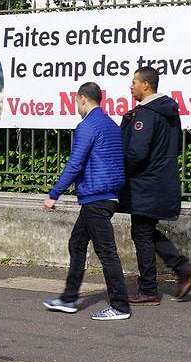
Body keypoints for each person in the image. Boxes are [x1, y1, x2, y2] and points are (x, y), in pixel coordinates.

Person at [42, 82, 131, 321]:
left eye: (76, 102)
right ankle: (69, 298)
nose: (76, 107)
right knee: (77, 243)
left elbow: (75, 164)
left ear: (82, 99)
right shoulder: (111, 125)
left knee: (106, 252)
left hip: (96, 197)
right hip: (107, 195)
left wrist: (54, 193)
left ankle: (120, 306)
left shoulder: (87, 126)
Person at [119, 67, 191, 306]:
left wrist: (121, 172)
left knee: (142, 233)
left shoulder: (146, 114)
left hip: (146, 184)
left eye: (134, 82)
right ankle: (182, 269)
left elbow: (137, 152)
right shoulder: (169, 112)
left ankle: (149, 290)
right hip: (162, 180)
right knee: (144, 230)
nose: (130, 86)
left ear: (146, 85)